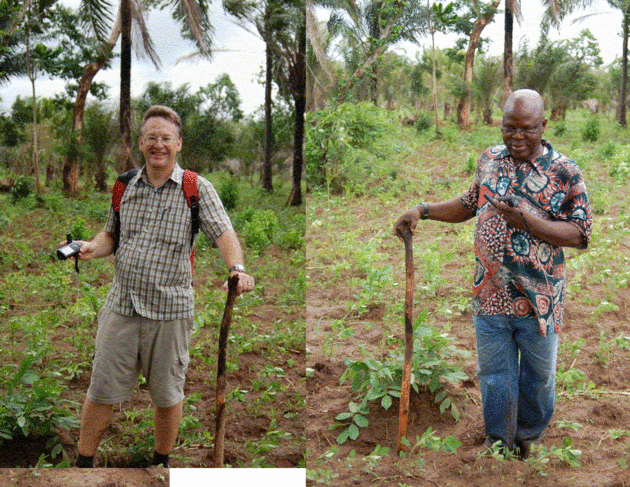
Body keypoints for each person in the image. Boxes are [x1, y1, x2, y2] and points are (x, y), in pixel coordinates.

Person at [393, 89, 592, 457]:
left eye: (526, 129)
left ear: (543, 125)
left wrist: (528, 223)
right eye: (508, 128)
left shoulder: (565, 172)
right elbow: (470, 202)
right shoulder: (490, 159)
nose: (516, 137)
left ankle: (529, 436)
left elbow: (579, 234)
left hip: (538, 298)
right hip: (489, 293)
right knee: (495, 375)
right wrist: (423, 210)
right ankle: (499, 440)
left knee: (539, 376)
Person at [70, 105, 255, 468]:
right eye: (151, 138)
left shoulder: (196, 188)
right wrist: (94, 247)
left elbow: (223, 232)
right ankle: (83, 465)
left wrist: (237, 268)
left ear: (178, 144)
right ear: (141, 143)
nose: (159, 145)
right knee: (101, 389)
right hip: (122, 306)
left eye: (166, 138)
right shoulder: (124, 185)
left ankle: (160, 463)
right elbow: (112, 235)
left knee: (168, 393)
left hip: (171, 311)